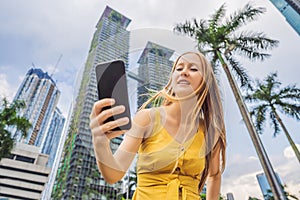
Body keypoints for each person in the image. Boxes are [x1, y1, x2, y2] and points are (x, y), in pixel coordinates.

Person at [90, 51, 226, 200]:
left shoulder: (210, 131)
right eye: (179, 69)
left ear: (205, 82)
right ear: (172, 79)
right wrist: (100, 142)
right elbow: (114, 174)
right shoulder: (146, 118)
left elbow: (214, 175)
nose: (184, 73)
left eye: (193, 69)